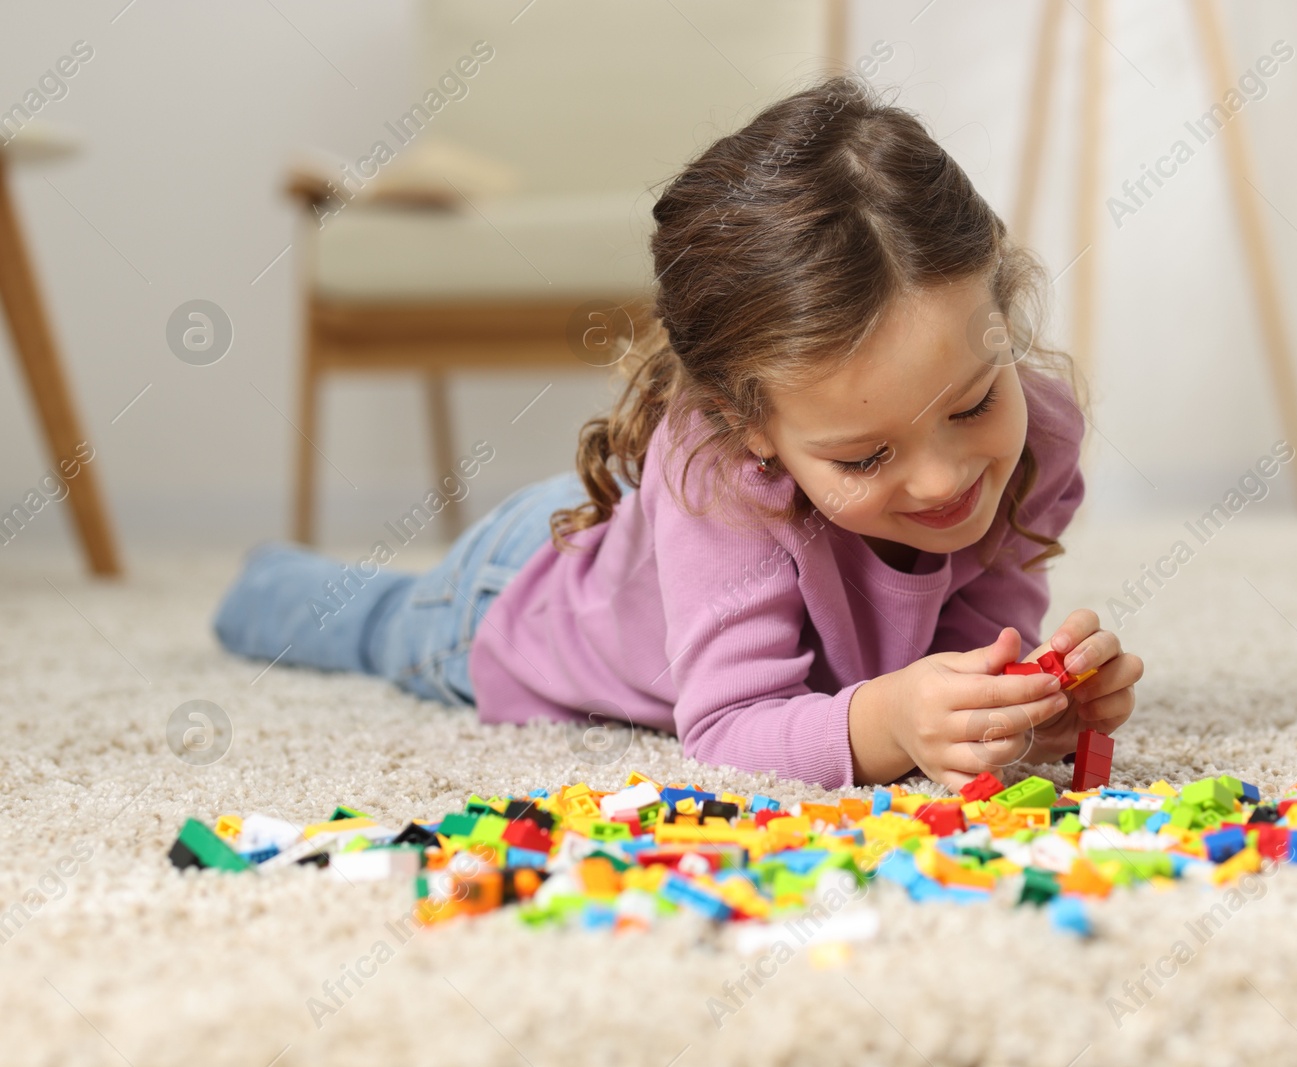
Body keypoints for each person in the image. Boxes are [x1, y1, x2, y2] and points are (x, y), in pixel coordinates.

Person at [214, 75, 1143, 790]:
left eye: (975, 403)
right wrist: (890, 725)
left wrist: (1021, 703)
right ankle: (265, 583)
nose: (945, 480)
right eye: (864, 456)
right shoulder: (721, 476)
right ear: (752, 426)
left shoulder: (1037, 437)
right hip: (518, 598)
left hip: (640, 543)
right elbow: (729, 729)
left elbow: (972, 638)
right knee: (370, 623)